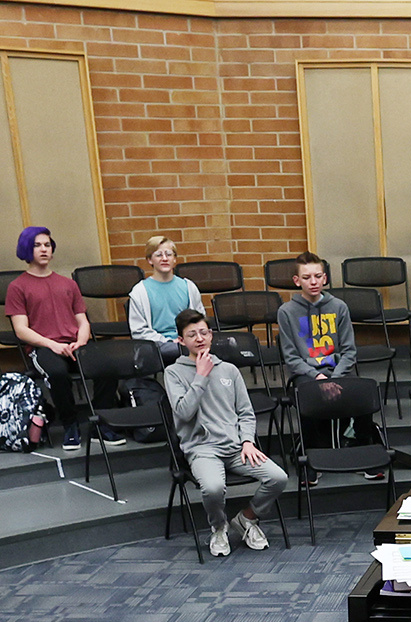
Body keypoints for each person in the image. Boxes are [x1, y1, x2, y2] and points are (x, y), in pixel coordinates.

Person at [166, 309, 290, 554]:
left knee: (278, 477)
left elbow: (245, 412)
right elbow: (183, 412)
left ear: (211, 335)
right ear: (181, 341)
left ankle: (247, 518)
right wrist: (200, 376)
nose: (199, 338)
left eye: (203, 332)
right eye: (192, 334)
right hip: (202, 449)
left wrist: (247, 441)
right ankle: (219, 527)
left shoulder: (229, 370)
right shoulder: (174, 373)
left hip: (235, 447)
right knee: (212, 488)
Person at [279, 252, 382, 452]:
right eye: (307, 277)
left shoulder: (339, 307)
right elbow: (291, 358)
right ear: (296, 281)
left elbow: (349, 351)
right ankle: (311, 457)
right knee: (309, 395)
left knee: (363, 393)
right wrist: (318, 377)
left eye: (318, 276)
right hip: (306, 375)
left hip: (338, 373)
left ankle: (362, 451)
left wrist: (334, 378)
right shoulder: (286, 312)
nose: (313, 282)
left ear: (325, 278)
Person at [3, 227, 90, 442]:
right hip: (44, 348)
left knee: (107, 366)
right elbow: (21, 330)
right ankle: (71, 425)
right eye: (37, 245)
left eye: (47, 245)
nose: (44, 249)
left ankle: (103, 425)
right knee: (57, 374)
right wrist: (52, 345)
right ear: (27, 249)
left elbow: (82, 320)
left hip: (74, 345)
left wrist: (80, 342)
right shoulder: (17, 287)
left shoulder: (68, 284)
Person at [124, 235, 204, 367]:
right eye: (159, 255)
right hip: (157, 345)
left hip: (188, 341)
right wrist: (169, 341)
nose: (165, 259)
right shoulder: (139, 292)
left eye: (169, 254)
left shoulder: (188, 287)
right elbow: (139, 331)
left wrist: (189, 339)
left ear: (174, 259)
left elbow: (199, 319)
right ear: (150, 260)